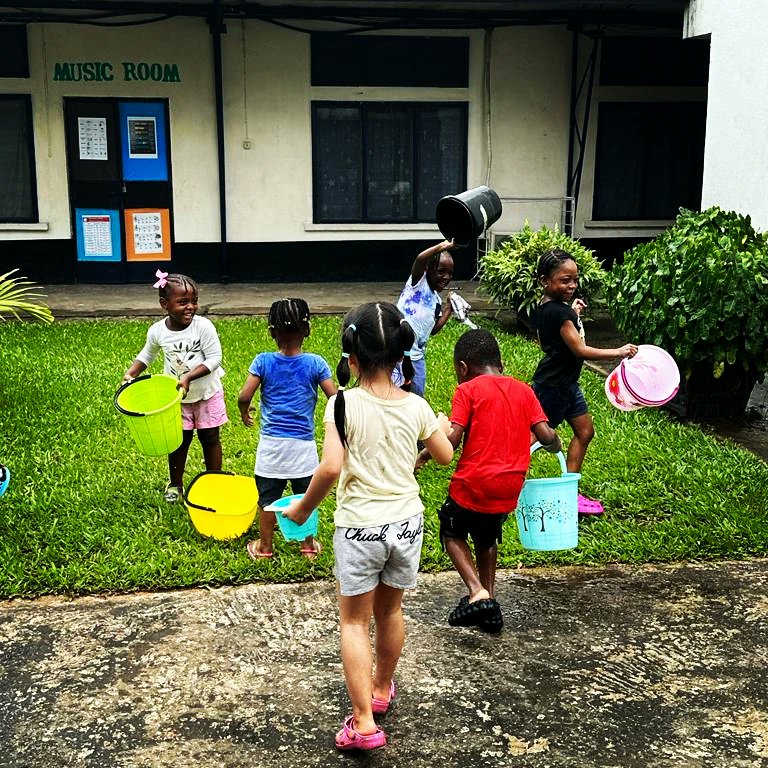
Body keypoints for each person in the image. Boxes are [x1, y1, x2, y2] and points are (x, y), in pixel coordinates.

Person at [282, 302, 453, 752]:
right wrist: (437, 423)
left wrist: (302, 509)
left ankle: (363, 725)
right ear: (401, 356)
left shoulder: (343, 404)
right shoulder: (417, 405)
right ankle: (381, 690)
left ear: (351, 356)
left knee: (354, 622)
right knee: (390, 611)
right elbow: (444, 455)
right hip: (406, 526)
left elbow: (330, 468)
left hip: (360, 528)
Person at [417, 328, 561, 633]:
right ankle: (490, 603)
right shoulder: (524, 390)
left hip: (473, 483)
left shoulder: (467, 391)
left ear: (462, 368)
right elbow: (548, 435)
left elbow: (452, 440)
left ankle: (476, 591)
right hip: (509, 487)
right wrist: (554, 443)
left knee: (451, 530)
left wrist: (423, 454)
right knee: (486, 536)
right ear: (502, 364)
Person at [532, 249, 638, 515]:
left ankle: (569, 492)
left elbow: (553, 339)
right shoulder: (560, 314)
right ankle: (504, 488)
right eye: (564, 280)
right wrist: (618, 352)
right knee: (532, 441)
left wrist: (572, 313)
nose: (571, 286)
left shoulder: (547, 308)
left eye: (574, 280)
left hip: (567, 385)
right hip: (553, 387)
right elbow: (580, 350)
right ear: (546, 280)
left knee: (585, 432)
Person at [238, 298, 336, 560]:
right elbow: (335, 398)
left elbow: (244, 395)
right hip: (303, 448)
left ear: (271, 332)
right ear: (308, 330)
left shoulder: (262, 361)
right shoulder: (316, 363)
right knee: (305, 499)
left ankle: (265, 547)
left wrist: (244, 411)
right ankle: (307, 546)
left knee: (267, 501)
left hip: (271, 448)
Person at [123, 271, 227, 503]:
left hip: (207, 394)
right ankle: (176, 484)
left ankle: (214, 481)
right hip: (176, 398)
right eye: (182, 302)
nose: (190, 307)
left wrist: (189, 377)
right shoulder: (158, 331)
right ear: (164, 304)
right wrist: (131, 372)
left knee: (210, 438)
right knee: (178, 441)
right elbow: (147, 355)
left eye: (194, 301)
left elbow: (214, 358)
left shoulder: (204, 327)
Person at [394, 239, 455, 395]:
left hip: (416, 358)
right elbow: (420, 258)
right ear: (428, 269)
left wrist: (448, 309)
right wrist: (442, 246)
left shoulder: (436, 300)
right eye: (441, 271)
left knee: (416, 396)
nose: (446, 277)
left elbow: (432, 329)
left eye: (450, 273)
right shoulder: (417, 283)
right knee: (393, 392)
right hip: (396, 354)